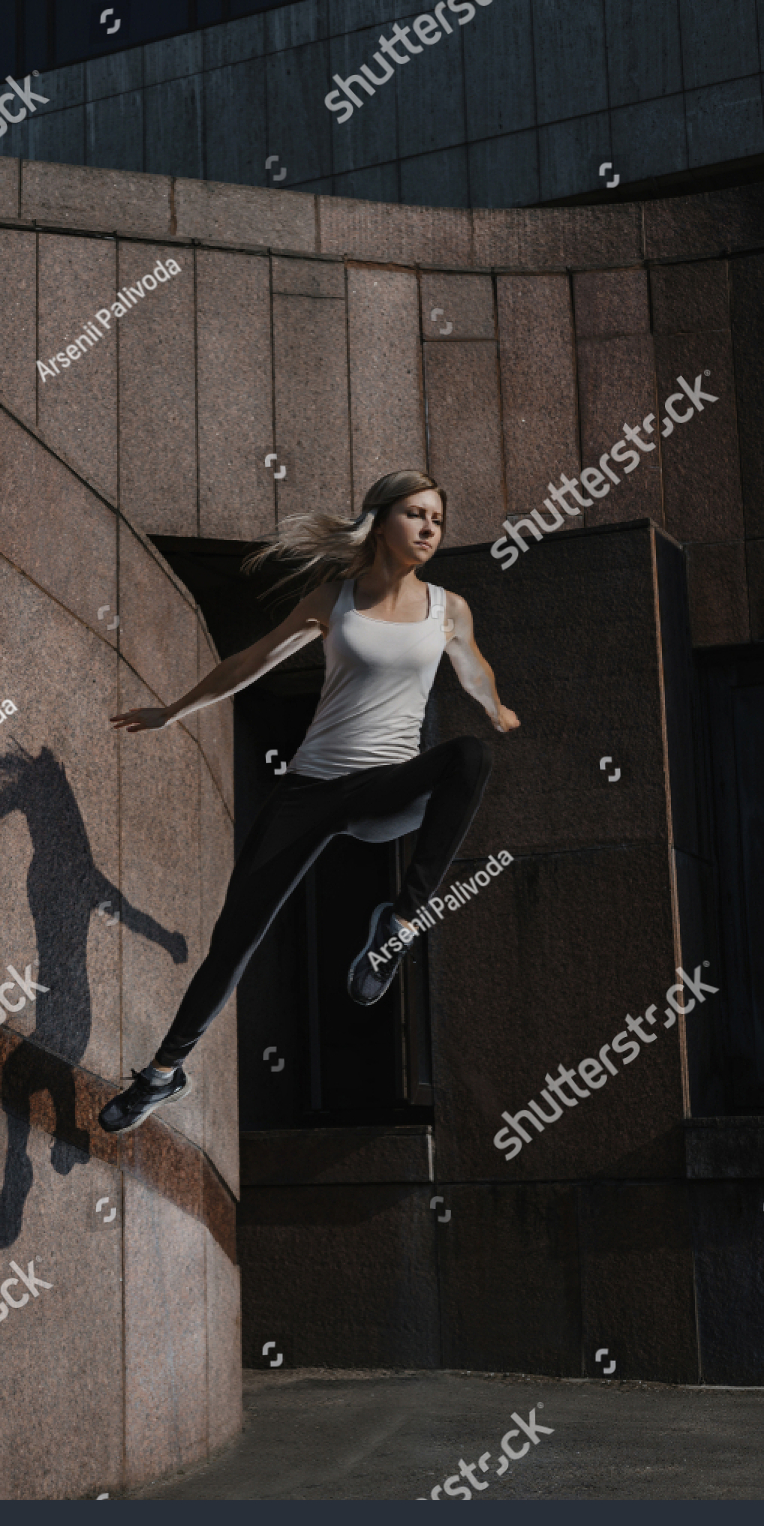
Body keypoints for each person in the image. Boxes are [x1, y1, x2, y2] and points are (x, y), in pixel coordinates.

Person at [99, 470, 519, 1133]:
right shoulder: (335, 599)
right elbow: (252, 661)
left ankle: (399, 925)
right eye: (415, 514)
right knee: (234, 939)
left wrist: (492, 704)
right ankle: (161, 1075)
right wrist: (174, 711)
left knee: (470, 756)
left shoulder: (449, 608)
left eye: (436, 519)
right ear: (379, 522)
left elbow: (471, 663)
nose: (429, 529)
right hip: (308, 791)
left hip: (387, 791)